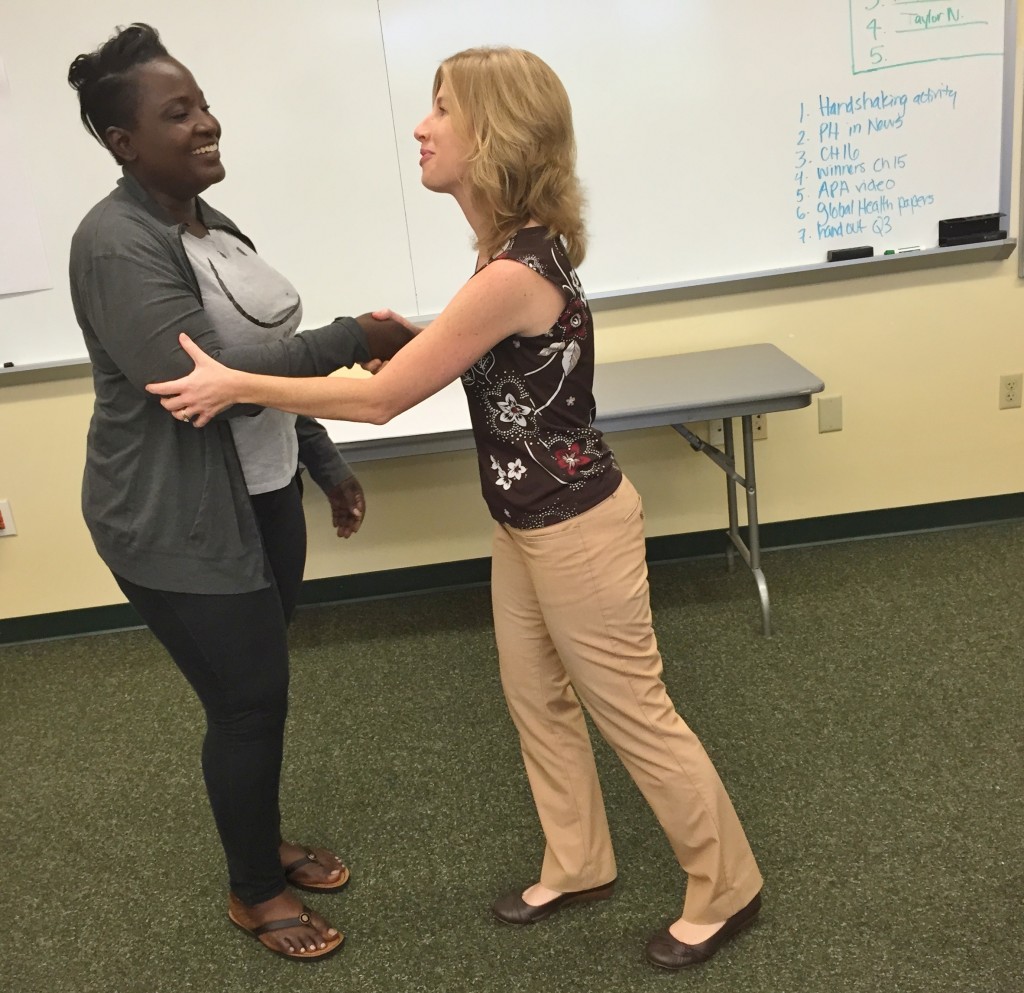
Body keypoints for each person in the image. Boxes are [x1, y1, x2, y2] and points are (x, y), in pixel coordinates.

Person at [147, 46, 764, 968]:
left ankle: (728, 885)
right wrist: (418, 331)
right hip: (526, 521)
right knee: (536, 701)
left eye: (442, 111)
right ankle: (579, 860)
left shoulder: (510, 271)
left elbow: (382, 398)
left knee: (634, 710)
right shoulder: (503, 254)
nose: (421, 128)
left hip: (578, 527)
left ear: (496, 136)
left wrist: (240, 382)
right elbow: (479, 345)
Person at [67, 23, 412, 961]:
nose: (208, 122)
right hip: (174, 519)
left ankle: (261, 841)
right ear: (123, 142)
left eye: (204, 102)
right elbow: (209, 373)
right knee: (248, 702)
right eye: (178, 113)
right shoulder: (114, 242)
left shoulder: (213, 228)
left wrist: (322, 461)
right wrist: (358, 334)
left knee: (261, 692)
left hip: (261, 495)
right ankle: (254, 889)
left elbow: (268, 386)